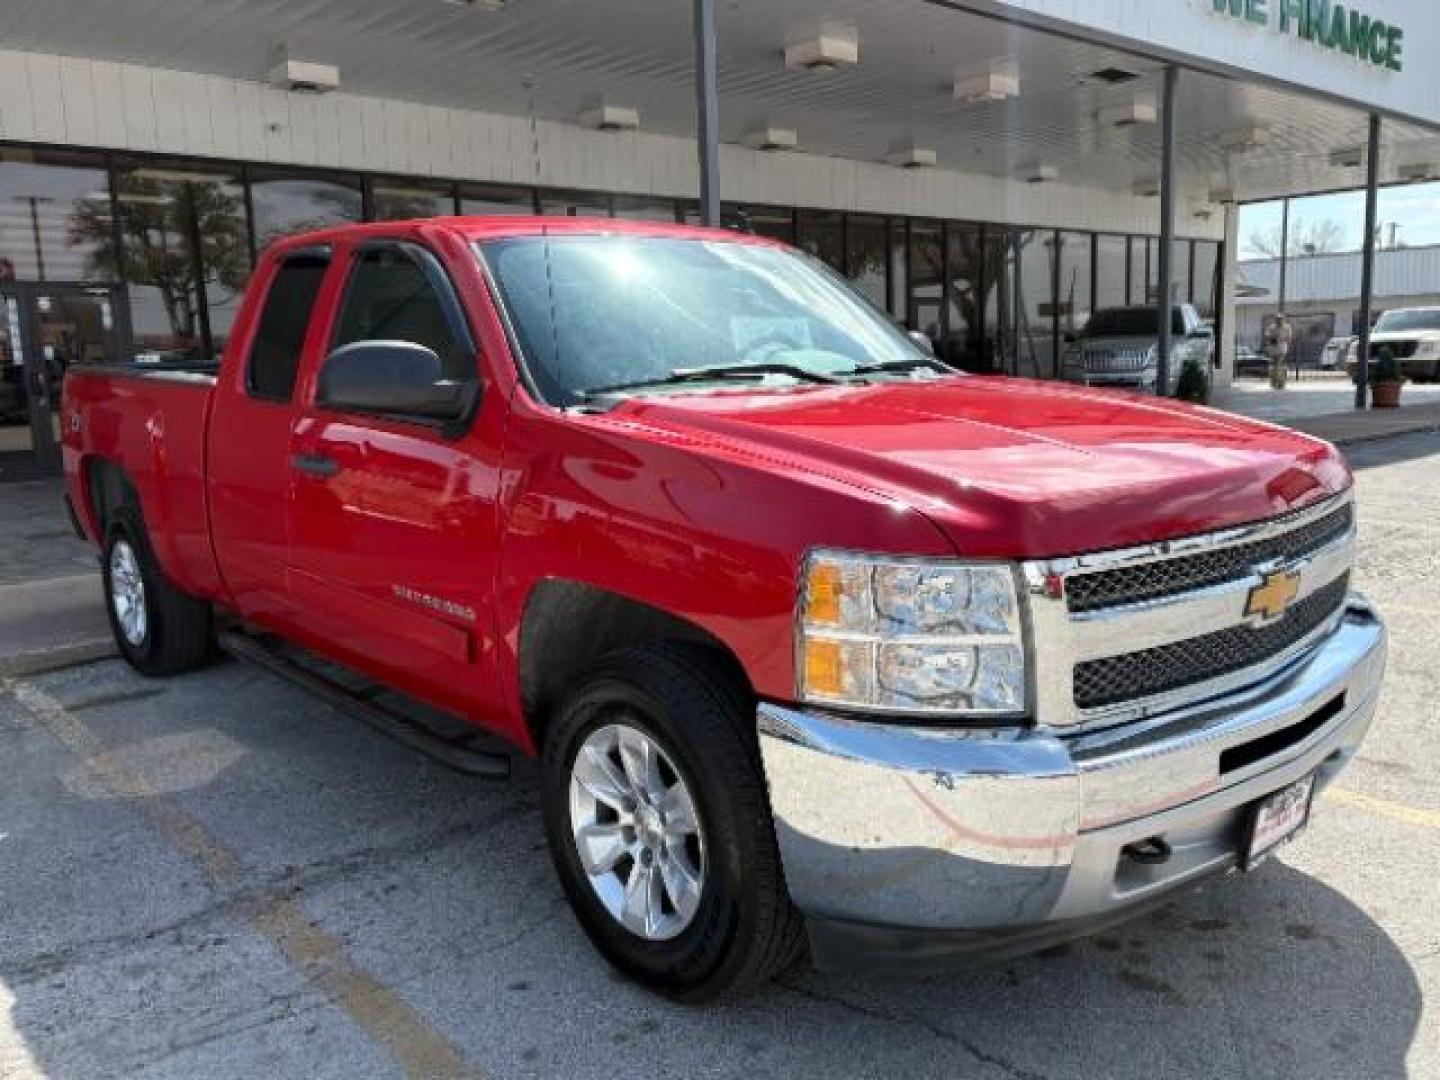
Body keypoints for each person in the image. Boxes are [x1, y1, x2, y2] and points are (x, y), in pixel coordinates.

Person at [1264, 312, 1293, 390]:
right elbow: (1266, 335)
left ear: (1283, 320)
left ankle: (1280, 382)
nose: (1279, 321)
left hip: (1282, 349)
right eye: (1277, 319)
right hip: (1273, 349)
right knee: (1274, 366)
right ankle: (1274, 382)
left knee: (1278, 365)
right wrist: (1272, 337)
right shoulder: (1272, 327)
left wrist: (1282, 339)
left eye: (1280, 319)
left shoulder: (1287, 327)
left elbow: (1289, 337)